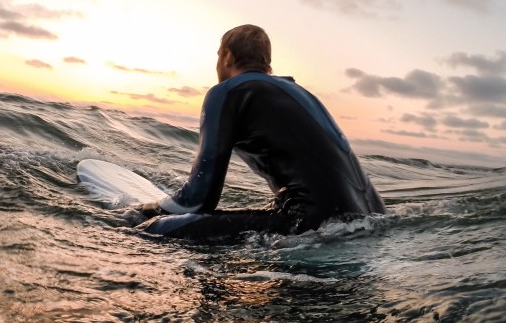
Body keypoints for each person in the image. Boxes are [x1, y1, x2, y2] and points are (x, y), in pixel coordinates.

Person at [135, 24, 386, 240]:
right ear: (267, 62)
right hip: (371, 222)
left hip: (314, 227)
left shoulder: (229, 91)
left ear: (228, 57)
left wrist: (143, 210)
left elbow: (198, 200)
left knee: (153, 229)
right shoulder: (299, 93)